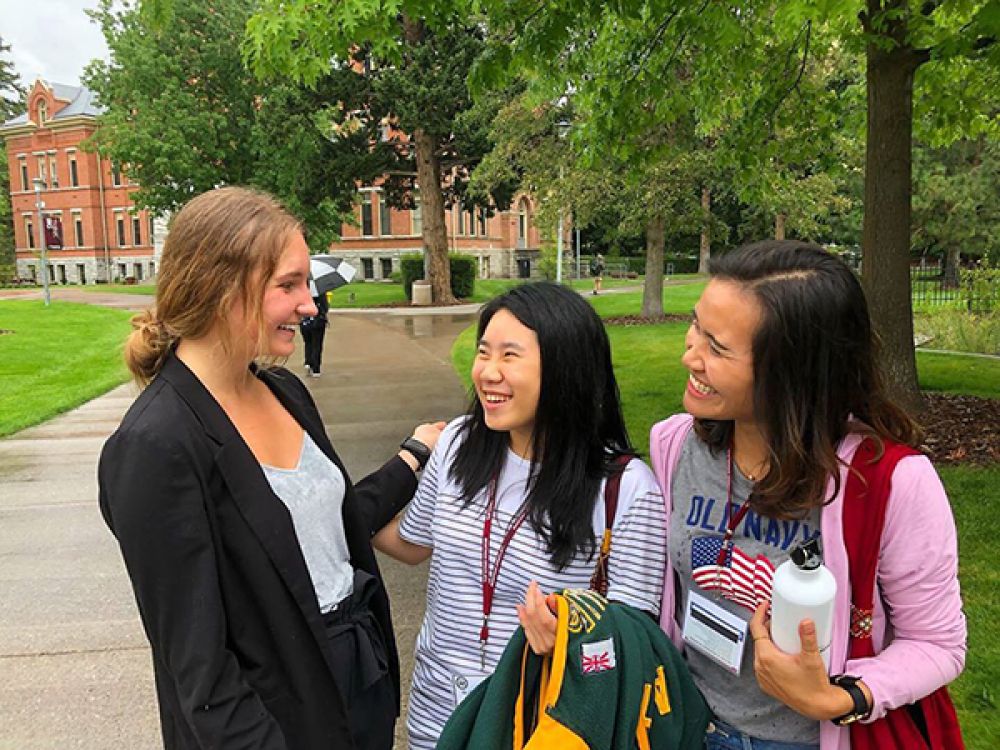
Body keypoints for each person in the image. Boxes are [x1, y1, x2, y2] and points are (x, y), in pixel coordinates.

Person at [97, 186, 442, 750]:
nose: (310, 304)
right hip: (275, 723)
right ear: (219, 287)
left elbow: (320, 527)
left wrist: (412, 458)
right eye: (288, 285)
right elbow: (201, 673)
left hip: (357, 688)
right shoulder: (156, 446)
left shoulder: (282, 391)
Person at [649, 240, 966, 749]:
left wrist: (842, 699)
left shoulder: (888, 482)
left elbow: (937, 643)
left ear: (789, 371)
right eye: (695, 327)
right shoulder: (675, 445)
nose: (689, 353)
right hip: (687, 725)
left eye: (717, 347)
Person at [371, 282, 668, 749]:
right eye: (483, 351)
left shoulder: (624, 489)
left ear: (566, 369)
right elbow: (412, 544)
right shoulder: (457, 444)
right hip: (436, 715)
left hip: (540, 725)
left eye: (510, 356)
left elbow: (632, 644)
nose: (487, 372)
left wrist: (563, 639)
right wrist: (345, 508)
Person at [300, 291, 329, 377]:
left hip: (305, 322)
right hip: (318, 322)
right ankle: (316, 368)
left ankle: (308, 361)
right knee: (317, 344)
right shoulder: (320, 291)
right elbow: (325, 307)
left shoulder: (302, 292)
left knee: (308, 342)